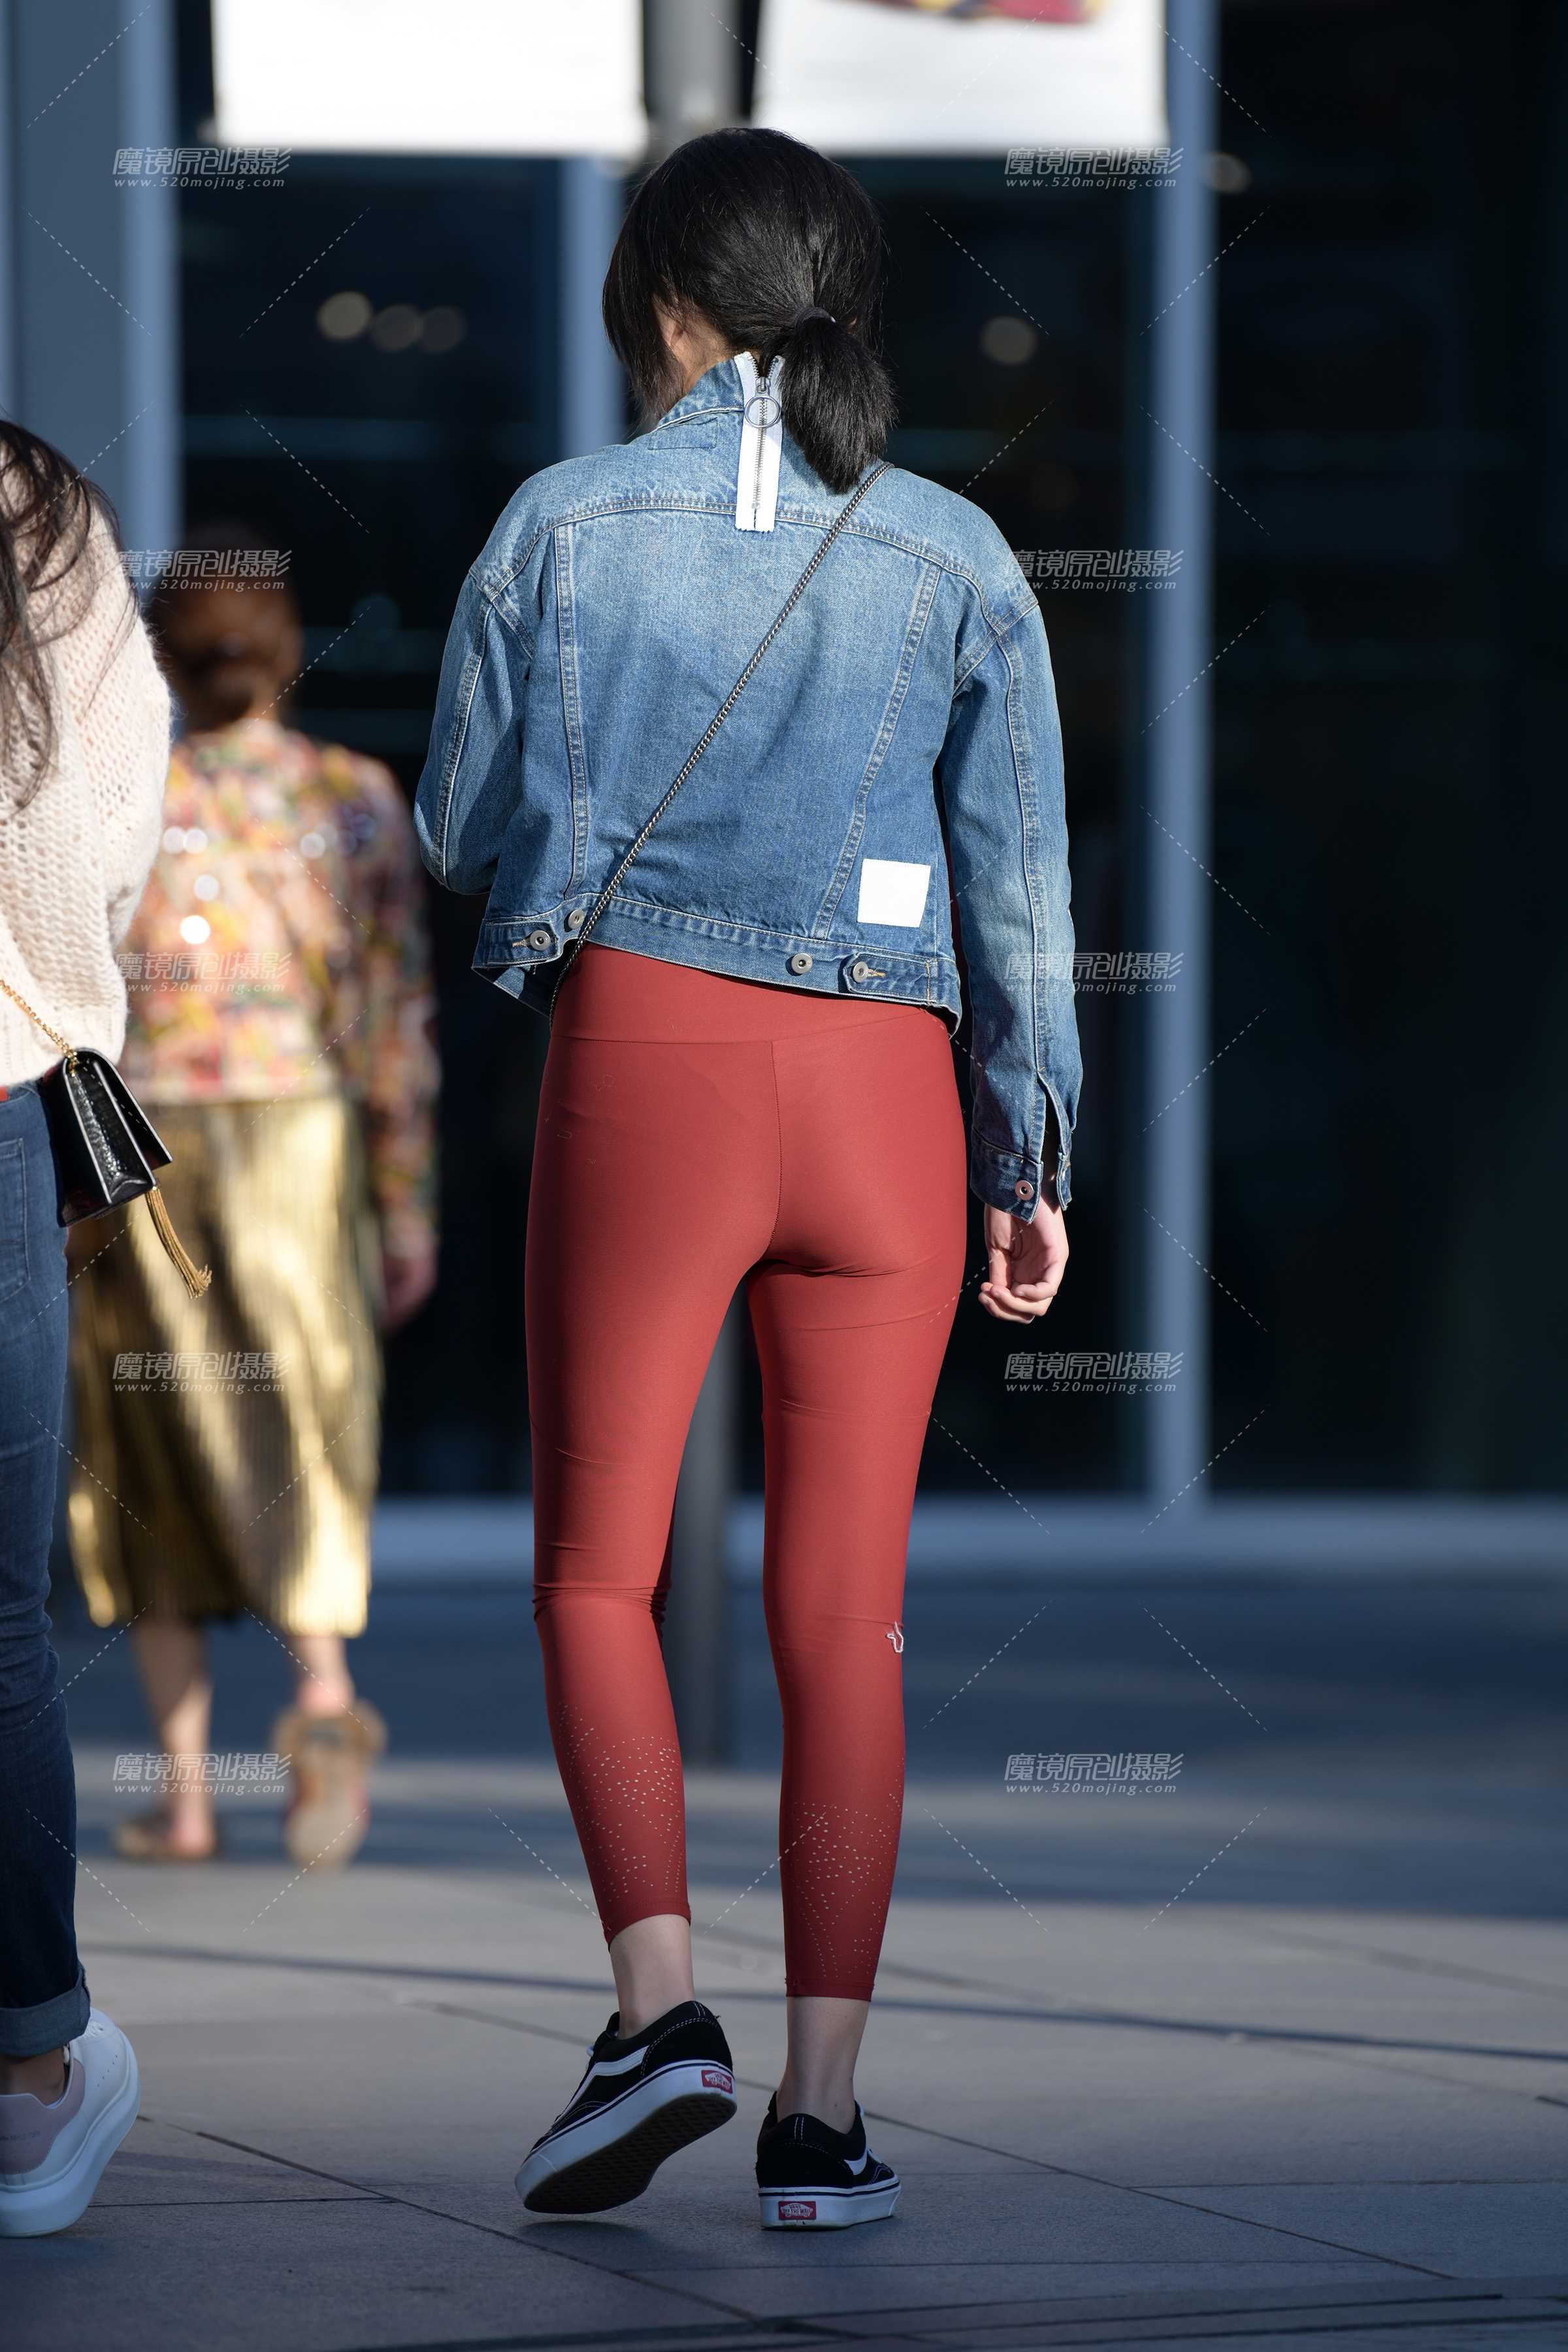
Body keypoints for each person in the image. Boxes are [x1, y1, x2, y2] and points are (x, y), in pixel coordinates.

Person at [419, 127, 1080, 2228]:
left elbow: (455, 826)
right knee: (847, 1620)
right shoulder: (957, 552)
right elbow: (1023, 896)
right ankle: (824, 2119)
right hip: (889, 1100)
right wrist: (1029, 1146)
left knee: (597, 1571)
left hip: (655, 1066)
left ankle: (657, 2019)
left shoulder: (558, 522)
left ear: (662, 302)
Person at [67, 529, 439, 1869]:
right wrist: (406, 1208)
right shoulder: (355, 796)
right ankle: (325, 1703)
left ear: (163, 659)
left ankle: (186, 1797)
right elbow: (395, 1022)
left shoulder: (127, 797)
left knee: (152, 1447)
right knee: (304, 1424)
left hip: (149, 1150)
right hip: (302, 1143)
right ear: (285, 654)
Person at [0, 423, 170, 2234]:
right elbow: (86, 818)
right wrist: (57, 1009)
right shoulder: (27, 505)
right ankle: (30, 2084)